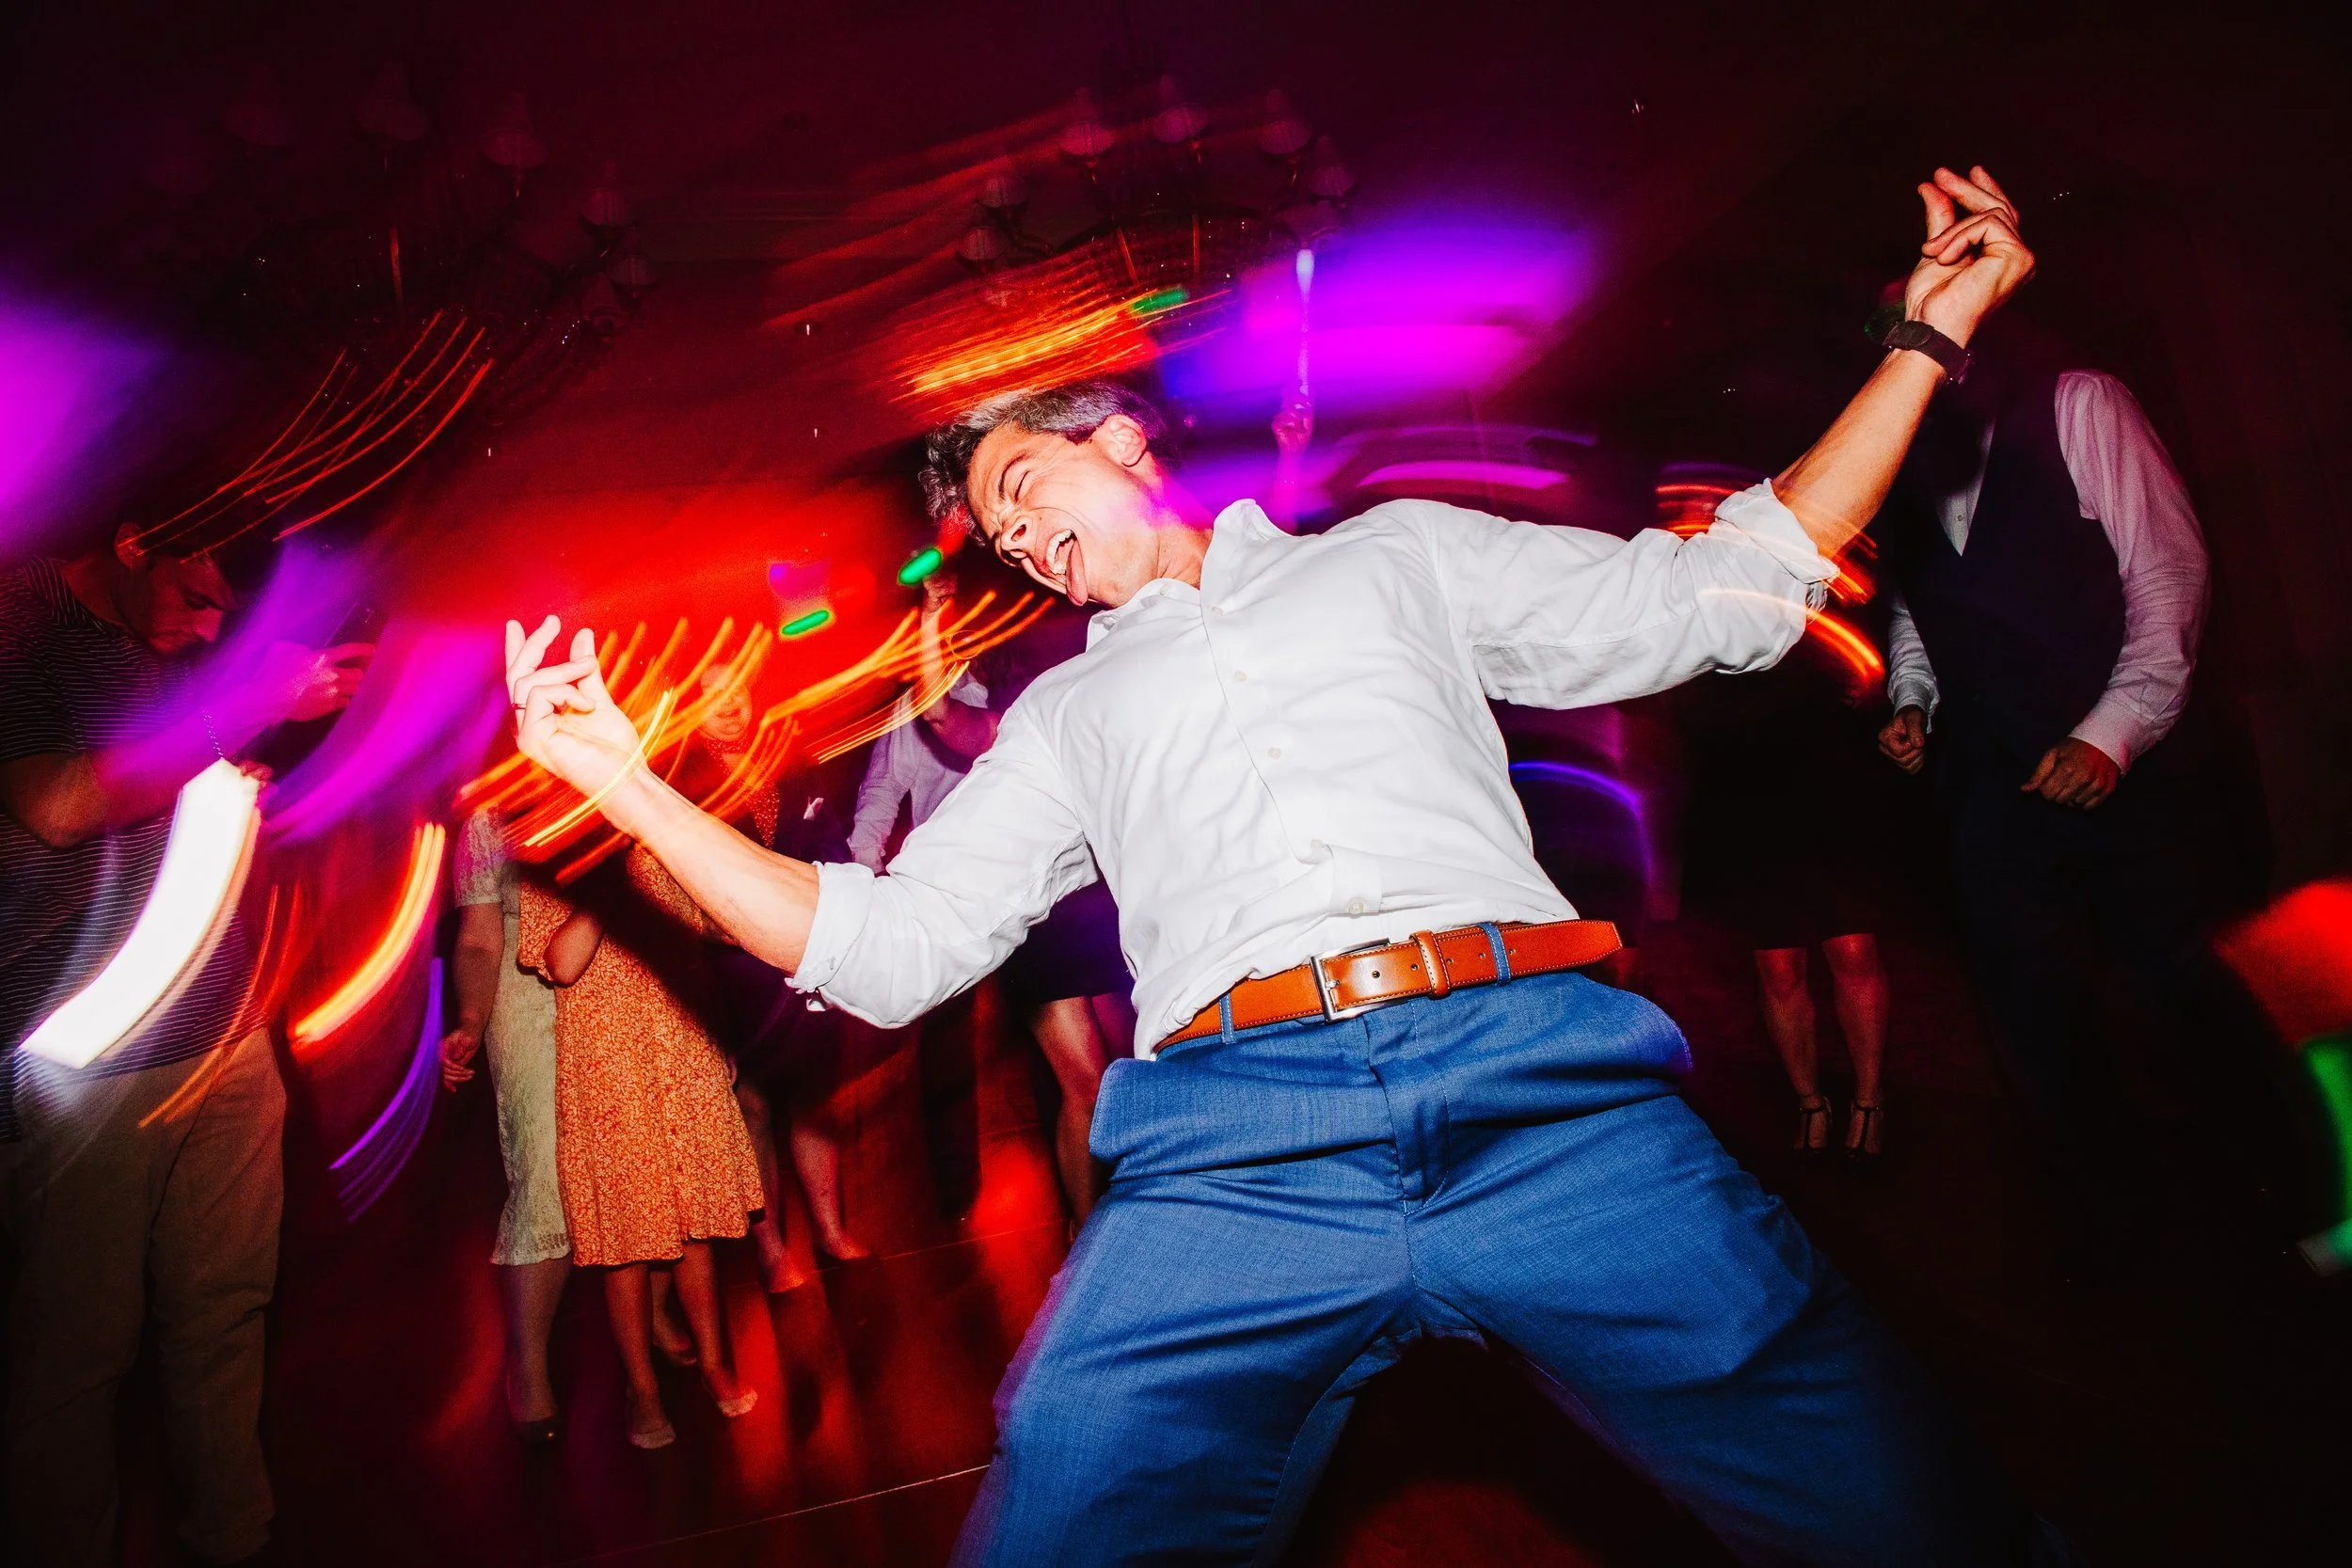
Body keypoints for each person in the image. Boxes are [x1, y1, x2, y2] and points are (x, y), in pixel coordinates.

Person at [502, 167, 2073, 1564]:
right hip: (1239, 1145)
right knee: (1063, 1489)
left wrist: (1922, 345)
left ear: (1117, 439)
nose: (1016, 545)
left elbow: (1732, 586)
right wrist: (626, 786)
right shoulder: (1063, 712)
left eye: (1020, 493)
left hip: (1544, 1091)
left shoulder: (1396, 557)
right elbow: (889, 943)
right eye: (998, 538)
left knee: (1895, 1498)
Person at [0, 522, 365, 1567]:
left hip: (228, 1038)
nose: (211, 619)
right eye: (203, 586)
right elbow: (61, 804)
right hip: (91, 1067)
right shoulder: (20, 621)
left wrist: (298, 709)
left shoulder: (170, 649)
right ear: (138, 540)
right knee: (79, 1356)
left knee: (225, 1312)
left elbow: (210, 777)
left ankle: (234, 1538)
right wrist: (242, 703)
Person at [1871, 237, 2226, 1267]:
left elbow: (2169, 575)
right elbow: (1913, 609)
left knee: (2179, 995)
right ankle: (2106, 1230)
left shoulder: (2077, 397)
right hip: (1986, 782)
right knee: (2029, 1011)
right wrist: (1910, 698)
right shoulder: (1896, 452)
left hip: (2129, 776)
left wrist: (2111, 733)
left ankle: (2270, 1203)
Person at [518, 845, 764, 1449]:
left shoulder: (656, 824)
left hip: (679, 1043)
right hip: (608, 1066)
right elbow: (564, 962)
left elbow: (705, 931)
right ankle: (641, 1388)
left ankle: (713, 1363)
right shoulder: (549, 852)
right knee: (625, 1241)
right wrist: (609, 877)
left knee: (696, 1226)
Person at [1681, 595, 1904, 1161]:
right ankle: (1810, 1103)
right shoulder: (1712, 574)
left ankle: (1871, 1102)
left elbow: (1873, 646)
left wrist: (1877, 691)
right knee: (1779, 966)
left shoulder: (1829, 572)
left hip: (1830, 777)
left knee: (1853, 949)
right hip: (1744, 787)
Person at [687, 661, 866, 1291]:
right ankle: (770, 1249)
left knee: (816, 1098)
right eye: (713, 697)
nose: (731, 705)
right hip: (730, 973)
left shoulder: (789, 754)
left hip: (805, 953)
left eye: (737, 689)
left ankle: (829, 1227)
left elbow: (833, 845)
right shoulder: (680, 781)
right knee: (754, 1108)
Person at [439, 808, 572, 1443]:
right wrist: (469, 1018)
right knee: (546, 1174)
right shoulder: (490, 817)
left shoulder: (620, 759)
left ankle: (651, 1327)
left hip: (616, 980)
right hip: (524, 992)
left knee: (638, 1152)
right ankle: (531, 1362)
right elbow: (478, 939)